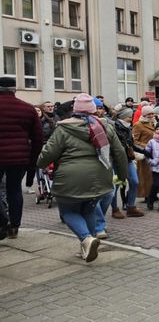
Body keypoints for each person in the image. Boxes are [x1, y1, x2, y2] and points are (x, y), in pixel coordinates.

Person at [37, 93, 128, 262]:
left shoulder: (63, 128)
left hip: (70, 177)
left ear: (75, 110)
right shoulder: (105, 126)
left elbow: (48, 155)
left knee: (68, 211)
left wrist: (39, 162)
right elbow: (120, 153)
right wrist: (123, 176)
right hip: (100, 176)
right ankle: (87, 246)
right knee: (89, 209)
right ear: (93, 109)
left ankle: (86, 238)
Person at [0, 76, 43, 239]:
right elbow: (38, 139)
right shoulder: (27, 109)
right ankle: (14, 227)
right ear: (14, 90)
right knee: (14, 190)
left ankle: (3, 221)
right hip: (19, 158)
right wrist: (32, 160)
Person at [113, 107, 145, 217]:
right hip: (116, 161)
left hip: (128, 159)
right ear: (123, 117)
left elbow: (131, 144)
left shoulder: (128, 128)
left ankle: (131, 207)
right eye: (129, 117)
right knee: (116, 185)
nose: (131, 119)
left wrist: (144, 150)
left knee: (134, 182)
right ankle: (114, 209)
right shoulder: (114, 128)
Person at [132, 105, 156, 201]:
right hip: (144, 153)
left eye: (152, 113)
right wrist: (146, 146)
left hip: (156, 153)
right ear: (144, 114)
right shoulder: (138, 124)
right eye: (148, 114)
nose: (151, 115)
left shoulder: (154, 123)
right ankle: (147, 195)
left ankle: (154, 194)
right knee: (146, 176)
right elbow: (134, 141)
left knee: (155, 175)